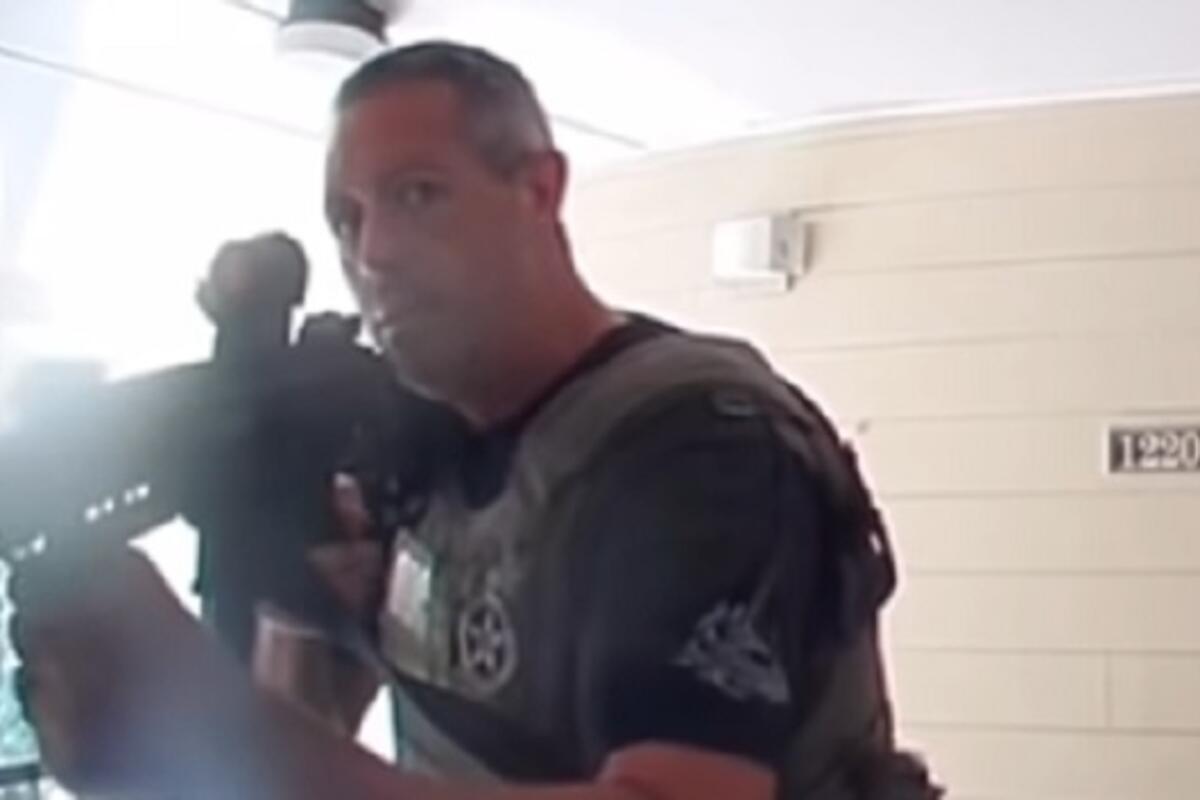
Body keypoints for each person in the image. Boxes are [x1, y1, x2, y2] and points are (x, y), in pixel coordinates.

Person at [10, 41, 939, 799]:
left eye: (418, 193)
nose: (373, 252)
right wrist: (270, 596)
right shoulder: (418, 444)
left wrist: (228, 739)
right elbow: (330, 720)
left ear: (539, 190)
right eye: (346, 218)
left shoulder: (695, 450)